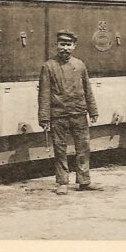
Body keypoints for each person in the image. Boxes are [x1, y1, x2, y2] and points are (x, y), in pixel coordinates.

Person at [37, 30, 102, 195]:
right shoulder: (48, 66)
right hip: (58, 115)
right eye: (62, 44)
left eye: (68, 45)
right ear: (57, 45)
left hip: (79, 113)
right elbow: (44, 94)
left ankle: (84, 181)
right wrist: (44, 117)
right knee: (60, 150)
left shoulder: (80, 65)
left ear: (74, 46)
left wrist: (93, 110)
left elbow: (87, 89)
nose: (65, 48)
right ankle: (62, 182)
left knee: (83, 148)